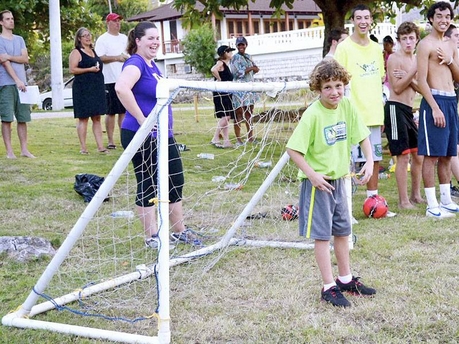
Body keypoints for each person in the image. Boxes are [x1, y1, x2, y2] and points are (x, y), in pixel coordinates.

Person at [286, 59, 376, 308]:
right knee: (322, 237)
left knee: (343, 231)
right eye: (328, 87)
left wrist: (369, 161)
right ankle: (328, 286)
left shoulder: (346, 105)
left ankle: (345, 279)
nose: (335, 92)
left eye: (339, 85)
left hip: (341, 180)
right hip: (319, 185)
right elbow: (293, 149)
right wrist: (312, 174)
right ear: (318, 89)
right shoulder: (313, 114)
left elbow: (363, 135)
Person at [115, 21, 202, 249]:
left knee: (175, 179)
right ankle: (152, 236)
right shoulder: (135, 63)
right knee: (149, 183)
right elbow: (121, 88)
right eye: (150, 38)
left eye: (157, 39)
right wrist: (143, 120)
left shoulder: (152, 65)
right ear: (138, 41)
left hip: (164, 135)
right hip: (140, 134)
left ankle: (179, 231)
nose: (155, 42)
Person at [334, 5, 395, 217]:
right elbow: (337, 81)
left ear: (371, 21)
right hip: (351, 114)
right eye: (359, 17)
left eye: (367, 18)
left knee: (374, 159)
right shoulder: (344, 48)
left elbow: (379, 80)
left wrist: (380, 109)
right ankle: (345, 209)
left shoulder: (377, 49)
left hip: (373, 113)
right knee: (348, 161)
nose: (363, 21)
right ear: (353, 21)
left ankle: (374, 202)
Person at [416, 1, 459, 218]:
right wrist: (434, 108)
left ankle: (446, 200)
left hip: (451, 101)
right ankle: (432, 205)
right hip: (435, 103)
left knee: (448, 155)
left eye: (447, 16)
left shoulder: (452, 44)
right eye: (439, 16)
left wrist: (451, 61)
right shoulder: (425, 44)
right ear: (431, 18)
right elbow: (421, 80)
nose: (443, 20)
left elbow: (458, 77)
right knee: (431, 156)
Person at [383, 22, 425, 209]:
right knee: (403, 157)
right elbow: (398, 87)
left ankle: (416, 195)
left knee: (419, 156)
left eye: (411, 38)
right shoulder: (394, 58)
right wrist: (413, 74)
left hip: (409, 110)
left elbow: (422, 88)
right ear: (399, 40)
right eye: (404, 38)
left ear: (417, 39)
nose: (408, 42)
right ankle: (403, 201)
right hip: (395, 108)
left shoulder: (416, 59)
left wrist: (409, 74)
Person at [0, 10, 35, 159]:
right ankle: (9, 151)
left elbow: (25, 58)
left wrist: (10, 56)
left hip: (22, 84)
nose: (11, 21)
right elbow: (5, 62)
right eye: (7, 19)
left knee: (23, 118)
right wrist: (17, 80)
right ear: (1, 22)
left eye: (12, 18)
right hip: (7, 84)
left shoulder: (19, 39)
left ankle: (24, 150)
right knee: (7, 118)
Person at [69, 27, 108, 155]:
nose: (87, 37)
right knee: (83, 118)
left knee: (97, 117)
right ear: (79, 39)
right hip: (83, 89)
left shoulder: (93, 51)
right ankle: (83, 147)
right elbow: (73, 70)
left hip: (96, 87)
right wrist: (89, 69)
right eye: (84, 35)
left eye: (89, 35)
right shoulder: (76, 52)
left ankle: (101, 146)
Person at [95, 13, 128, 150]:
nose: (117, 23)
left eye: (119, 21)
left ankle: (124, 138)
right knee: (111, 112)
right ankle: (110, 140)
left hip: (125, 78)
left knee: (124, 111)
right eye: (115, 21)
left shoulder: (124, 38)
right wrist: (117, 58)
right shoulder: (103, 39)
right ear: (108, 23)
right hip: (110, 79)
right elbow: (100, 57)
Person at [231, 36, 260, 146]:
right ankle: (238, 139)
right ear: (236, 46)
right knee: (239, 114)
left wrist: (253, 69)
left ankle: (250, 137)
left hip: (250, 88)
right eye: (239, 45)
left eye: (242, 44)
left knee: (249, 113)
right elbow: (238, 73)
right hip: (239, 89)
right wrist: (251, 69)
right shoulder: (235, 58)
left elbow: (255, 68)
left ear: (246, 45)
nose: (241, 46)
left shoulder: (248, 57)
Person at [444, 23, 459, 199]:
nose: (458, 39)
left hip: (453, 106)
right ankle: (447, 186)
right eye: (456, 35)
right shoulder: (441, 53)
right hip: (444, 105)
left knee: (453, 148)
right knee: (451, 148)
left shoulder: (453, 54)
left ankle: (448, 186)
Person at [210, 45, 235, 148]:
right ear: (225, 53)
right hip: (221, 93)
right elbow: (213, 70)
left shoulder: (226, 64)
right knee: (226, 116)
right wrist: (220, 80)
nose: (231, 54)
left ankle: (226, 141)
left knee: (227, 117)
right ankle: (215, 138)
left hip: (226, 92)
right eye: (230, 52)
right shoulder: (220, 63)